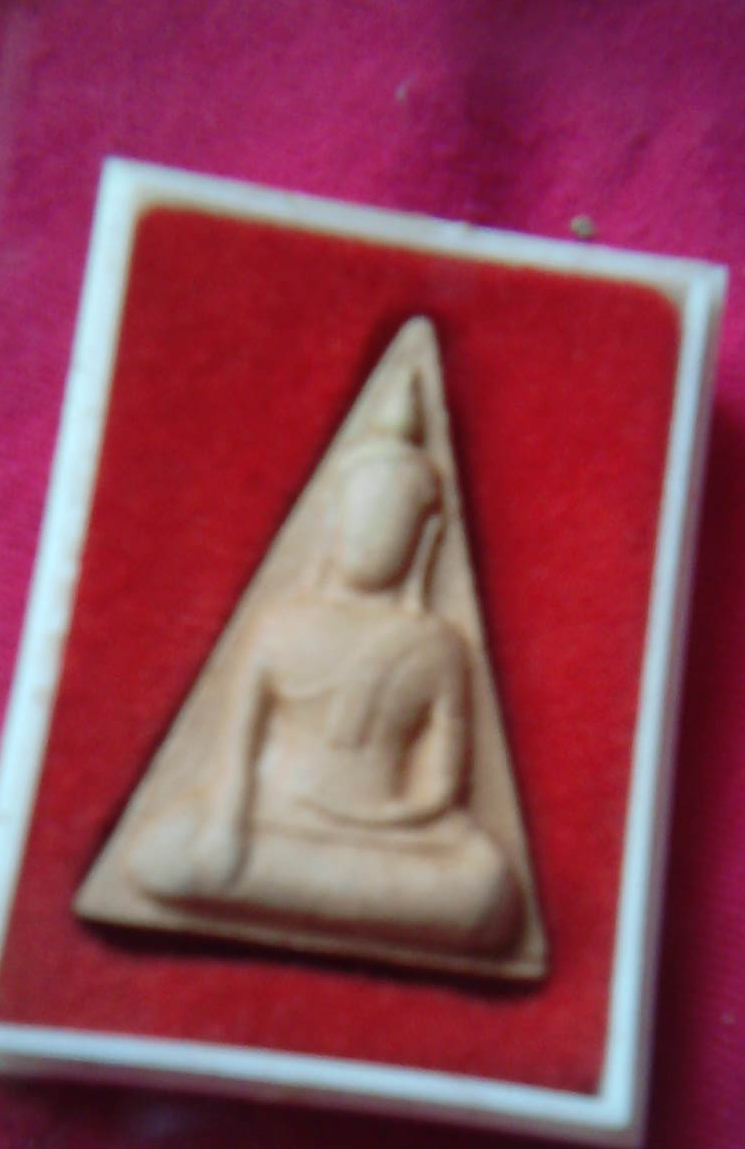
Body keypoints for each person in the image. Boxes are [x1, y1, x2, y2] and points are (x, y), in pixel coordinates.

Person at [127, 366, 522, 957]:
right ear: (332, 519)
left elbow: (443, 780)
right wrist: (225, 827)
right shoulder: (280, 624)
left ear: (424, 537)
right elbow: (235, 751)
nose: (373, 536)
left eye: (391, 520)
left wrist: (401, 814)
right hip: (273, 817)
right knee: (161, 853)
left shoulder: (439, 645)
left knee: (486, 884)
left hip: (389, 836)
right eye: (364, 515)